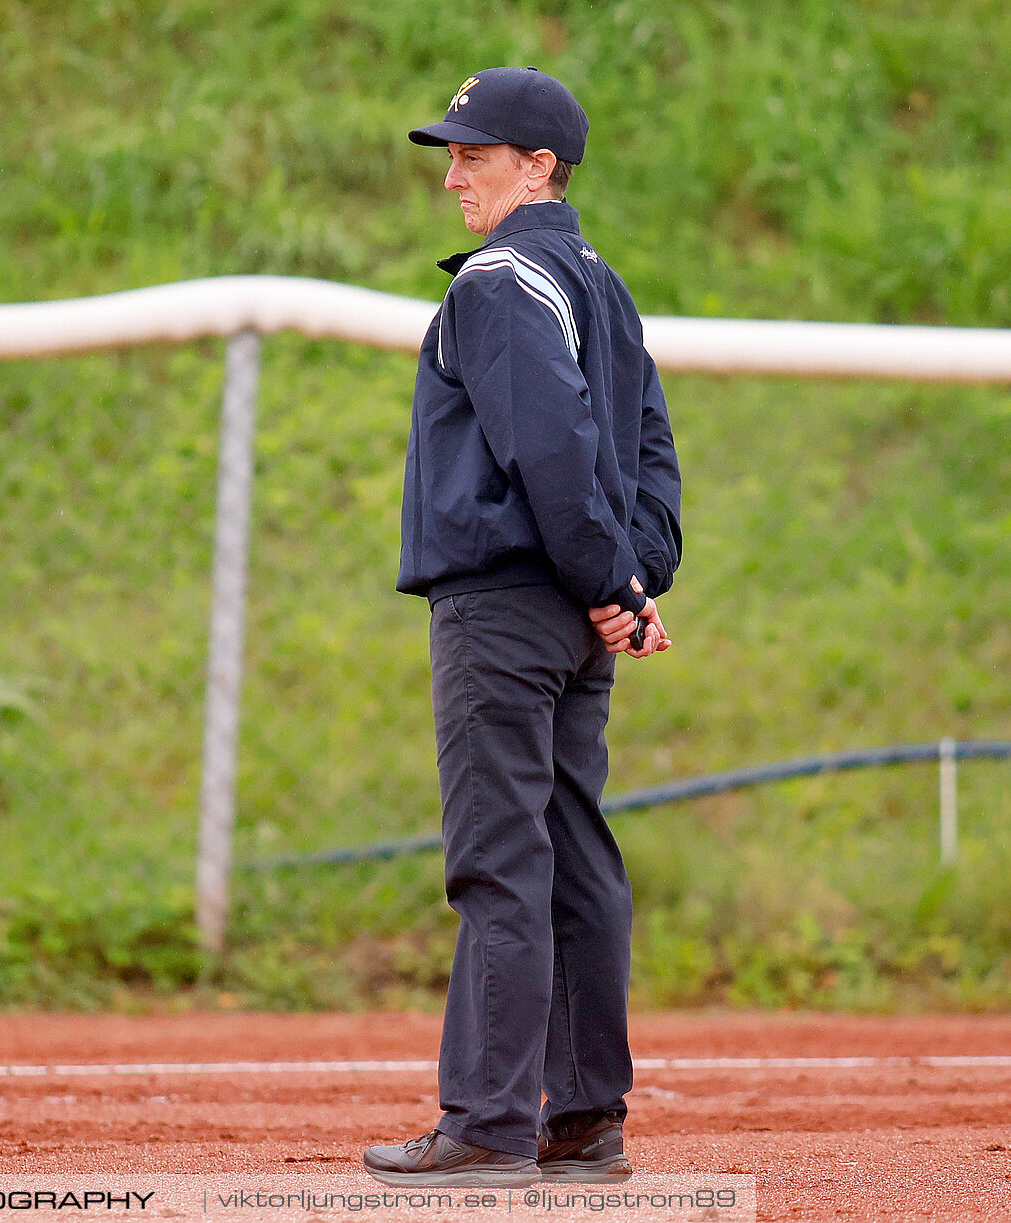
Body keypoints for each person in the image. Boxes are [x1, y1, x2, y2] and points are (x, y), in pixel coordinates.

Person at [362, 66, 683, 1188]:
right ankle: (586, 1119)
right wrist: (630, 582)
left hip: (502, 605)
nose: (453, 175)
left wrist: (606, 572)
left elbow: (547, 445)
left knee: (502, 856)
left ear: (539, 165)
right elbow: (648, 450)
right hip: (576, 613)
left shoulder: (498, 282)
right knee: (578, 852)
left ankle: (488, 1122)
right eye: (450, 154)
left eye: (474, 154)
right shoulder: (603, 283)